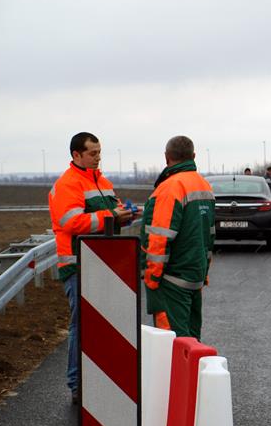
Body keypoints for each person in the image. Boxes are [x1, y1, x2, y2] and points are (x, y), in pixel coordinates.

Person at [49, 132, 134, 404]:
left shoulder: (103, 182)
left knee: (103, 326)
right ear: (77, 155)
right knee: (82, 325)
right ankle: (77, 384)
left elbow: (112, 216)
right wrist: (111, 215)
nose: (98, 157)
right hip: (78, 265)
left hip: (104, 265)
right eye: (93, 153)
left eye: (99, 152)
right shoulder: (68, 184)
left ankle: (100, 379)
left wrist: (125, 215)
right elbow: (72, 223)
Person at [141, 136, 215, 339]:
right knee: (192, 342)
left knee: (171, 345)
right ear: (193, 156)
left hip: (171, 280)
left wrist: (152, 278)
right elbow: (209, 234)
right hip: (195, 276)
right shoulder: (204, 186)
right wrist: (204, 270)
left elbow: (159, 238)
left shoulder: (169, 188)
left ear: (167, 158)